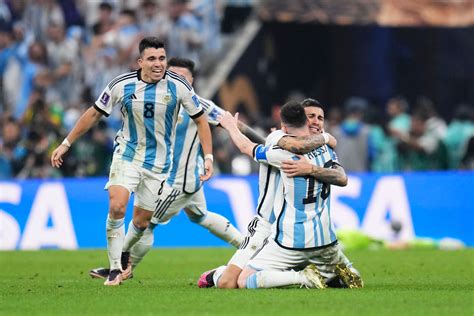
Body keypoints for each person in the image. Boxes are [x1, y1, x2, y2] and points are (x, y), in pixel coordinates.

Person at [50, 37, 214, 286]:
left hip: (159, 164)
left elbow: (201, 120)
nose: (158, 64)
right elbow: (94, 113)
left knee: (141, 222)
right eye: (152, 59)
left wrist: (209, 157)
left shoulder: (178, 86)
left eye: (162, 58)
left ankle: (124, 256)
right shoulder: (121, 85)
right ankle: (115, 268)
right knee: (117, 207)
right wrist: (66, 143)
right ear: (140, 62)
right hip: (127, 154)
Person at [89, 57, 256, 280]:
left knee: (145, 225)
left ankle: (122, 268)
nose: (176, 79)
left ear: (192, 80)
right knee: (200, 216)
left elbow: (231, 123)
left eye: (182, 76)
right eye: (173, 74)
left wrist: (265, 141)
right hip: (184, 178)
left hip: (176, 183)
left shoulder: (201, 105)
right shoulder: (161, 99)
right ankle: (249, 248)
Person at [198, 99, 353, 289]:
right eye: (311, 116)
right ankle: (219, 273)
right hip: (266, 225)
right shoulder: (282, 140)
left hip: (287, 230)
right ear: (302, 119)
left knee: (244, 280)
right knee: (227, 283)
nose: (316, 122)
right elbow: (284, 145)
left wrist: (312, 165)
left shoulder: (318, 148)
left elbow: (340, 176)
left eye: (320, 118)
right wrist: (327, 138)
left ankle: (306, 275)